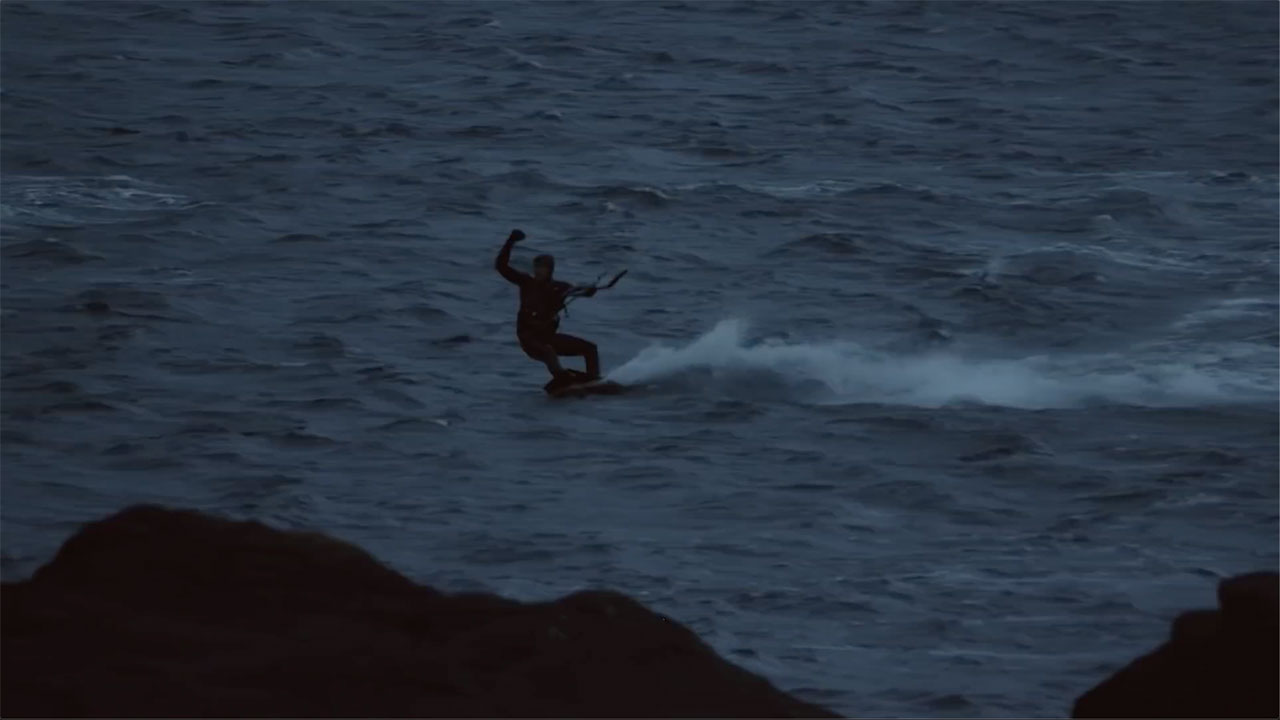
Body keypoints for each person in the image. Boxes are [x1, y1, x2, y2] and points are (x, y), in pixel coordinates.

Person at [495, 228, 600, 384]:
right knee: (548, 351)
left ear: (550, 270)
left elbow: (580, 292)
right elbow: (501, 267)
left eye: (542, 268)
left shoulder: (560, 287)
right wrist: (510, 242)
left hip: (548, 337)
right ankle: (562, 378)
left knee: (590, 348)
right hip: (529, 339)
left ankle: (594, 382)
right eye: (536, 267)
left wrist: (590, 290)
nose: (538, 271)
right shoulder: (526, 283)